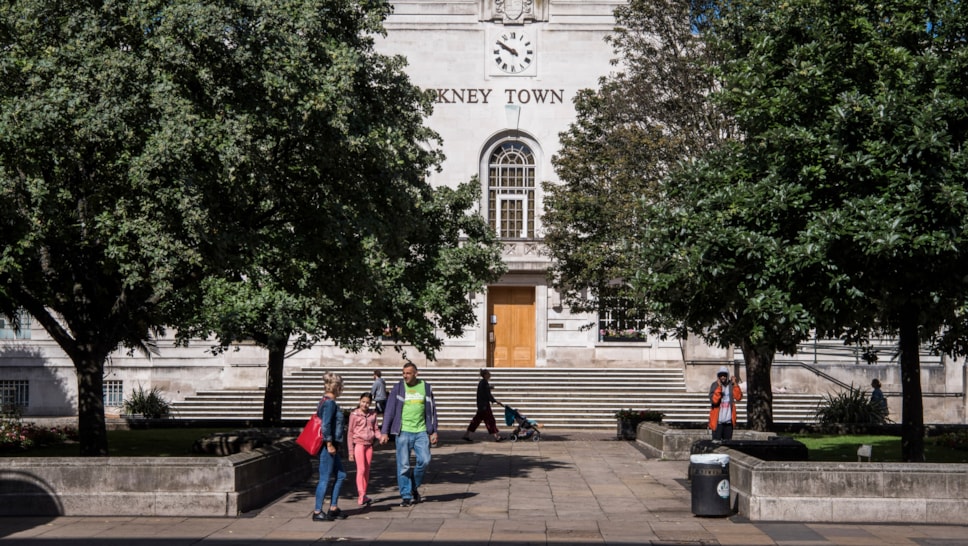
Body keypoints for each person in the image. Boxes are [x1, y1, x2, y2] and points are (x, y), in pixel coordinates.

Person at [380, 362, 438, 507]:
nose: (405, 376)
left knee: (425, 460)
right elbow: (389, 411)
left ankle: (412, 485)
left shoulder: (426, 387)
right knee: (403, 465)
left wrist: (434, 430)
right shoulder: (398, 388)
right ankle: (406, 496)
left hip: (421, 431)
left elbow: (432, 410)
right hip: (403, 431)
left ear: (416, 373)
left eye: (408, 373)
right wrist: (384, 431)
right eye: (403, 373)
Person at [312, 372, 349, 522]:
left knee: (341, 475)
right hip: (328, 446)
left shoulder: (325, 401)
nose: (342, 389)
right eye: (341, 386)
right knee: (325, 478)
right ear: (337, 387)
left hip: (332, 445)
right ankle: (317, 511)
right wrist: (329, 444)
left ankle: (333, 508)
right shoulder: (329, 403)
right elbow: (325, 425)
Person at [347, 392, 379, 507]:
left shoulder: (372, 415)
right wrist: (350, 451)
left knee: (367, 470)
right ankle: (361, 494)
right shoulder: (354, 415)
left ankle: (364, 494)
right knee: (361, 469)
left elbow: (376, 429)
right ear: (359, 401)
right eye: (363, 402)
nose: (365, 404)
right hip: (359, 445)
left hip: (369, 446)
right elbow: (350, 433)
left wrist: (381, 437)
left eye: (367, 403)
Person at [462, 369, 504, 442]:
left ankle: (466, 435)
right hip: (484, 406)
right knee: (490, 420)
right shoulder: (484, 382)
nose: (490, 375)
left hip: (481, 406)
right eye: (488, 373)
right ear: (485, 375)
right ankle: (497, 436)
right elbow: (487, 394)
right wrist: (495, 401)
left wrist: (489, 387)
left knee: (476, 421)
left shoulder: (483, 382)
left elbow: (485, 391)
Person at [708, 366, 743, 441]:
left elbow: (738, 397)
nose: (723, 377)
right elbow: (714, 401)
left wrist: (735, 384)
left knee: (728, 443)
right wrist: (719, 388)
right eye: (721, 375)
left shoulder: (731, 385)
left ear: (727, 375)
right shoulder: (714, 385)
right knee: (716, 443)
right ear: (718, 376)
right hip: (717, 421)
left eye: (724, 375)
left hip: (728, 421)